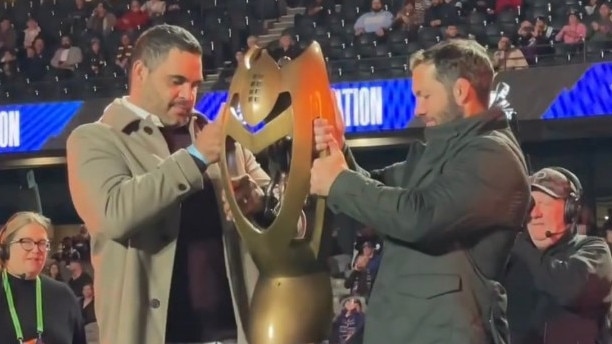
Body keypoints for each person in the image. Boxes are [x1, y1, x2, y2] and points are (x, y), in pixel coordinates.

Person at [310, 39, 531, 344]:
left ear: (461, 91)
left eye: (425, 95)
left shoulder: (494, 157)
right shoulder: (438, 151)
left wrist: (338, 181)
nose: (418, 108)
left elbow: (419, 216)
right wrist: (339, 148)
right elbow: (377, 191)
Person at [66, 24, 273, 344]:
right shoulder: (94, 140)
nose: (188, 96)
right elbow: (114, 215)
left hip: (235, 335)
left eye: (195, 85)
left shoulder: (223, 141)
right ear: (139, 72)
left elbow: (287, 214)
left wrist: (260, 202)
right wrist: (195, 157)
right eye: (176, 82)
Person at [503, 167, 612, 344]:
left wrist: (518, 243)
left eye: (544, 204)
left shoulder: (594, 250)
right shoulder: (509, 256)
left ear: (571, 209)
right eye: (529, 205)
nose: (535, 214)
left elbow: (571, 289)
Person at [0, 211, 86, 344]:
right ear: (6, 248)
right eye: (26, 242)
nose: (36, 250)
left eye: (42, 243)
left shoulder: (63, 295)